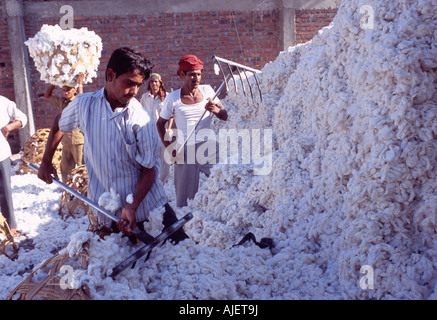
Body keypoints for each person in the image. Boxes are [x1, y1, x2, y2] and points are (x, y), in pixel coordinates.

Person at [38, 47, 188, 243]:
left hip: (149, 212)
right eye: (130, 83)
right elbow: (60, 122)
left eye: (138, 85)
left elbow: (149, 170)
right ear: (110, 75)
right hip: (109, 214)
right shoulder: (84, 105)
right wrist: (46, 161)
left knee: (181, 259)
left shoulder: (141, 120)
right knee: (121, 269)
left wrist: (132, 206)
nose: (134, 91)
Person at [157, 54, 228, 207]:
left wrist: (215, 109)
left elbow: (224, 115)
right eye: (191, 75)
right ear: (182, 75)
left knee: (223, 186)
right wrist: (170, 148)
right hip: (185, 151)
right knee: (184, 199)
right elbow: (159, 124)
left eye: (198, 74)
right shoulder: (173, 98)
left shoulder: (208, 91)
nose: (196, 78)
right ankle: (186, 226)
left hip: (208, 147)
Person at [43, 73, 85, 182]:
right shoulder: (63, 101)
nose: (66, 93)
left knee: (82, 167)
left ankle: (85, 189)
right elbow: (47, 96)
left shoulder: (77, 100)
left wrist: (80, 83)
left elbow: (81, 99)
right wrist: (54, 82)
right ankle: (67, 191)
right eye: (64, 91)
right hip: (66, 140)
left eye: (68, 90)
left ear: (74, 90)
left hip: (78, 140)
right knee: (65, 168)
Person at [0, 95, 28, 237]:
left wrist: (9, 127)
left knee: (4, 191)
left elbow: (23, 118)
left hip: (1, 154)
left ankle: (10, 226)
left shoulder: (3, 102)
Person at [139, 73, 173, 184]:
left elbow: (171, 115)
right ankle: (154, 181)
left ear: (160, 83)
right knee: (153, 157)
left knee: (164, 158)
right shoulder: (145, 97)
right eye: (152, 81)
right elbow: (141, 114)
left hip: (163, 131)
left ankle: (163, 182)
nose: (154, 84)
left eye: (156, 81)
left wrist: (168, 129)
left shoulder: (166, 97)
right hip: (150, 132)